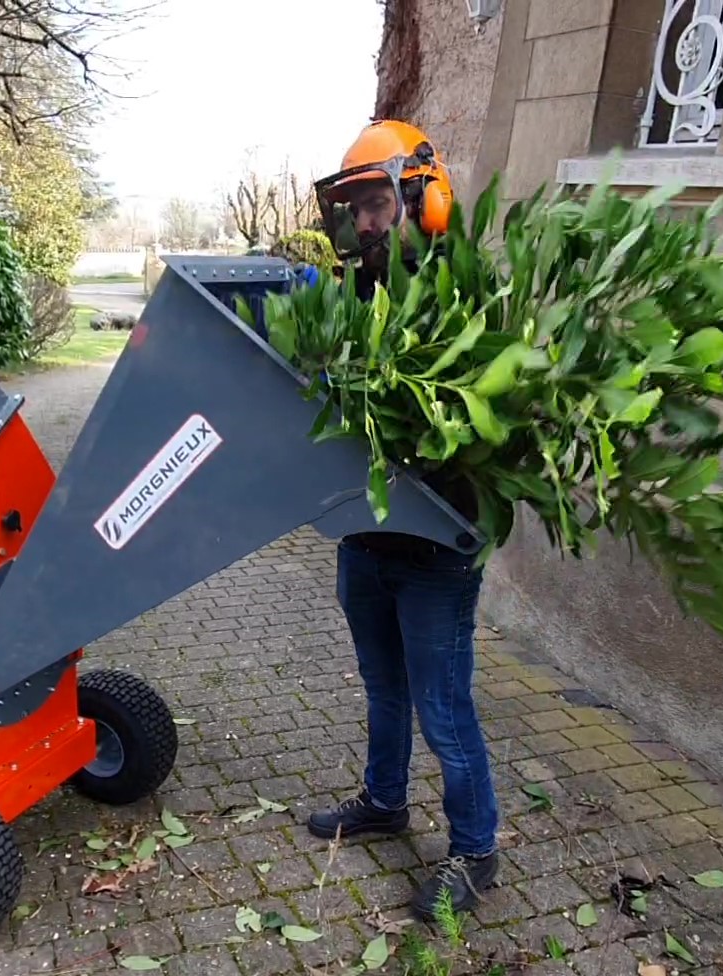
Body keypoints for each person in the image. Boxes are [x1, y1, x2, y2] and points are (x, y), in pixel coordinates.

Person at [296, 120, 503, 921]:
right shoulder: (353, 294)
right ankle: (384, 801)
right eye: (357, 208)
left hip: (435, 551)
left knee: (444, 711)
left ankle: (477, 852)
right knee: (383, 689)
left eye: (379, 202)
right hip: (367, 539)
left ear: (426, 197)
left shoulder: (469, 296)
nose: (369, 222)